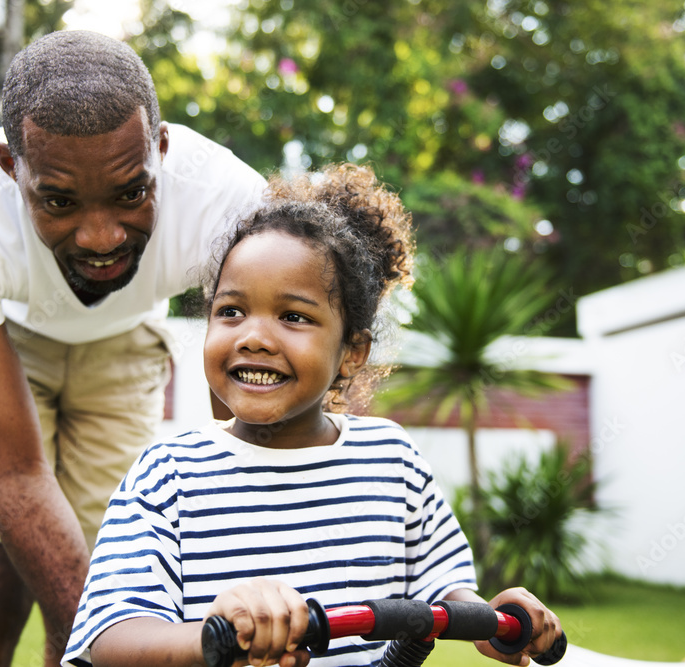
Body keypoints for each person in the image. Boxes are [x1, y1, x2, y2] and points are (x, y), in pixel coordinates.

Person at [62, 164, 562, 667]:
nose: (253, 336)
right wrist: (215, 638)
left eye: (293, 317)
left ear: (352, 351)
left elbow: (443, 587)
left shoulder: (392, 461)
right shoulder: (168, 474)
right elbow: (111, 638)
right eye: (231, 310)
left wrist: (490, 622)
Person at [0, 30, 267, 667]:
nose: (100, 238)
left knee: (115, 577)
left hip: (124, 353)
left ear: (162, 149)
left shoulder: (228, 205)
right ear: (11, 169)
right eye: (59, 200)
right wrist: (109, 643)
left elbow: (240, 444)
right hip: (4, 345)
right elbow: (14, 473)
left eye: (130, 194)